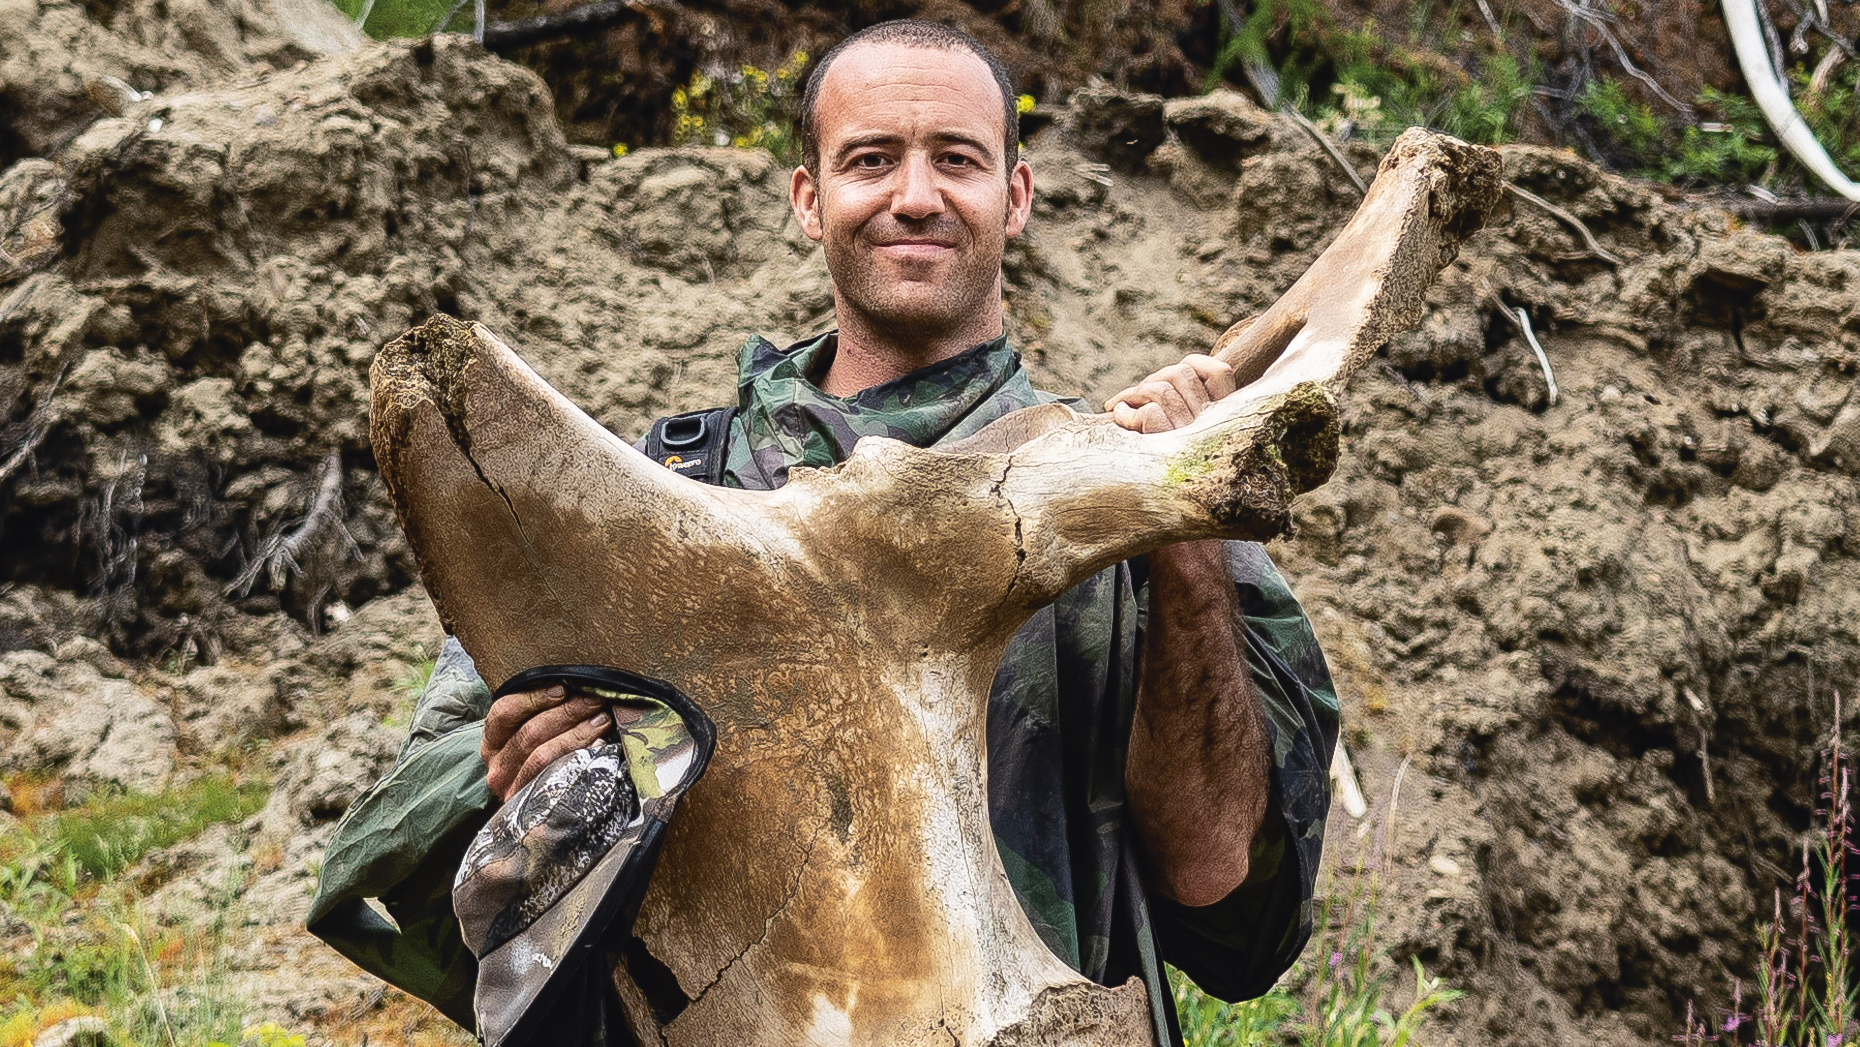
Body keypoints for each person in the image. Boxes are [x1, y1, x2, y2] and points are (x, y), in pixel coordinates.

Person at [311, 20, 1338, 1047]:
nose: (917, 196)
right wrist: (511, 781)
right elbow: (414, 853)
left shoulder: (1143, 511)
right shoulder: (644, 507)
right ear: (808, 200)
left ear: (1016, 197)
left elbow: (1220, 888)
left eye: (958, 159)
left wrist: (1186, 531)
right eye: (871, 160)